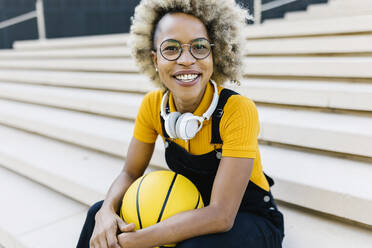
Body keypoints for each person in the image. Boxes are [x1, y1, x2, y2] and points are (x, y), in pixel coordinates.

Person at [77, 0, 285, 247]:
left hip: (248, 217)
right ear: (155, 59)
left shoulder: (237, 110)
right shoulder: (153, 106)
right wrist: (106, 213)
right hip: (191, 207)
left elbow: (221, 215)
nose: (186, 60)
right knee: (97, 215)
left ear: (214, 55)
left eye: (199, 47)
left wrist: (135, 241)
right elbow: (130, 172)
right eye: (171, 49)